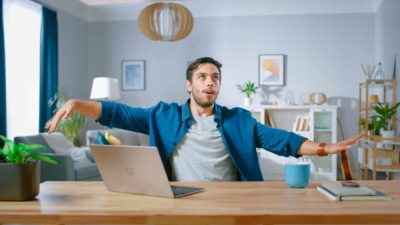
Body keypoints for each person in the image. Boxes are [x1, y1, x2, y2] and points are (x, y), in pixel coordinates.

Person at [46, 57, 362, 182]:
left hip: (232, 200)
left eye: (215, 77)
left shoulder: (240, 120)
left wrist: (325, 148)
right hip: (179, 199)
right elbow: (118, 113)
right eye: (202, 76)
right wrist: (75, 103)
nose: (210, 82)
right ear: (190, 84)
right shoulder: (162, 115)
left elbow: (280, 140)